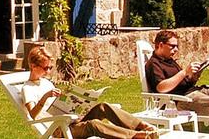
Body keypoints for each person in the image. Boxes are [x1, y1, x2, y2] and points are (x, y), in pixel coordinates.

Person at [21, 46, 160, 139]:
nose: (49, 71)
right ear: (33, 66)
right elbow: (32, 115)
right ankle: (135, 136)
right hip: (58, 129)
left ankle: (142, 126)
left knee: (102, 106)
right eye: (46, 68)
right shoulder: (27, 88)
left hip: (71, 120)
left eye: (51, 67)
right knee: (93, 125)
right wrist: (45, 97)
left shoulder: (46, 82)